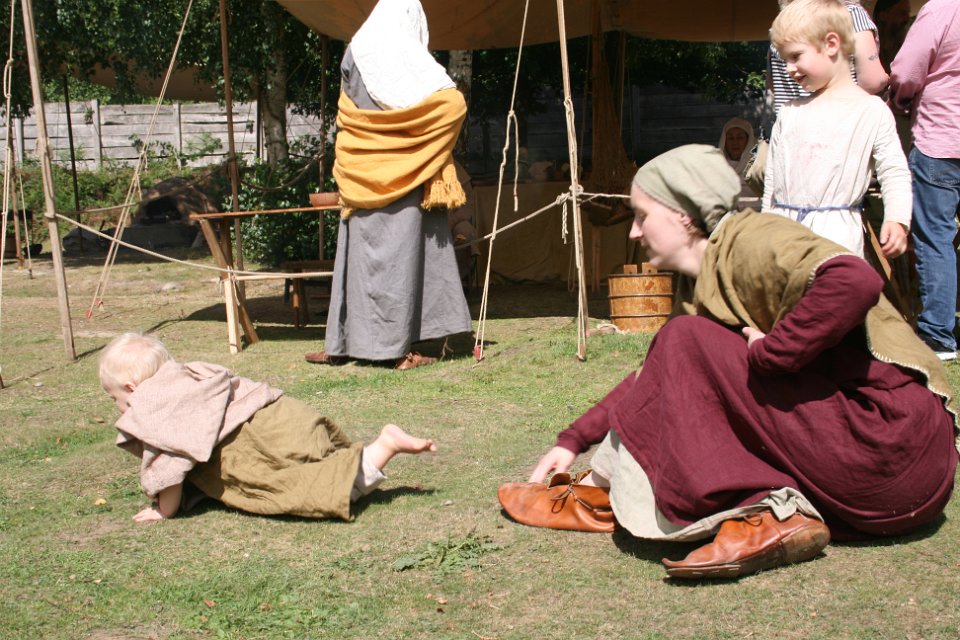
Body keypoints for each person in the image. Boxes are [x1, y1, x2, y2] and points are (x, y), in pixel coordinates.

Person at [498, 145, 958, 580]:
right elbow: (652, 379)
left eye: (642, 216)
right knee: (681, 346)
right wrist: (575, 438)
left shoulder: (753, 237)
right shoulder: (702, 283)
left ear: (682, 214)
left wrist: (773, 354)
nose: (634, 232)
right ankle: (757, 514)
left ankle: (621, 497)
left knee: (683, 338)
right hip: (878, 490)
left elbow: (853, 280)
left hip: (888, 447)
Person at [100, 333, 436, 522]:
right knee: (326, 461)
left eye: (115, 398)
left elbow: (171, 463)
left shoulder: (152, 403)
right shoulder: (190, 372)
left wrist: (164, 510)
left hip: (258, 441)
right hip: (283, 412)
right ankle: (368, 454)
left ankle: (385, 446)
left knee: (309, 486)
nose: (119, 407)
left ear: (131, 388)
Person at [305, 0, 472, 371]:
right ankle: (394, 351)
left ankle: (342, 345)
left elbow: (348, 114)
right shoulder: (406, 57)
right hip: (404, 179)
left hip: (361, 174)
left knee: (358, 264)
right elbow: (452, 105)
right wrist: (420, 147)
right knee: (398, 262)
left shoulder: (356, 50)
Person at [761, 0, 912, 258]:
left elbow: (894, 171)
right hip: (785, 240)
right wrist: (764, 229)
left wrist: (897, 219)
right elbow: (772, 181)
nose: (788, 69)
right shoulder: (789, 112)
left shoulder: (870, 110)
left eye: (796, 56)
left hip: (839, 240)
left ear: (831, 44)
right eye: (784, 59)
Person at [889, 0, 960, 361]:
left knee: (935, 239)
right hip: (942, 138)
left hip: (941, 139)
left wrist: (900, 101)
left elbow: (906, 71)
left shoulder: (942, 9)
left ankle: (938, 335)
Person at [767, 0, 889, 119]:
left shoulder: (783, 24)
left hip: (791, 120)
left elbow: (773, 86)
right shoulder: (850, 14)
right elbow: (872, 81)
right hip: (845, 117)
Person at [717, 117, 760, 208]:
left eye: (740, 138)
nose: (735, 142)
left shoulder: (759, 165)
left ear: (748, 141)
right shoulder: (716, 166)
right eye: (730, 138)